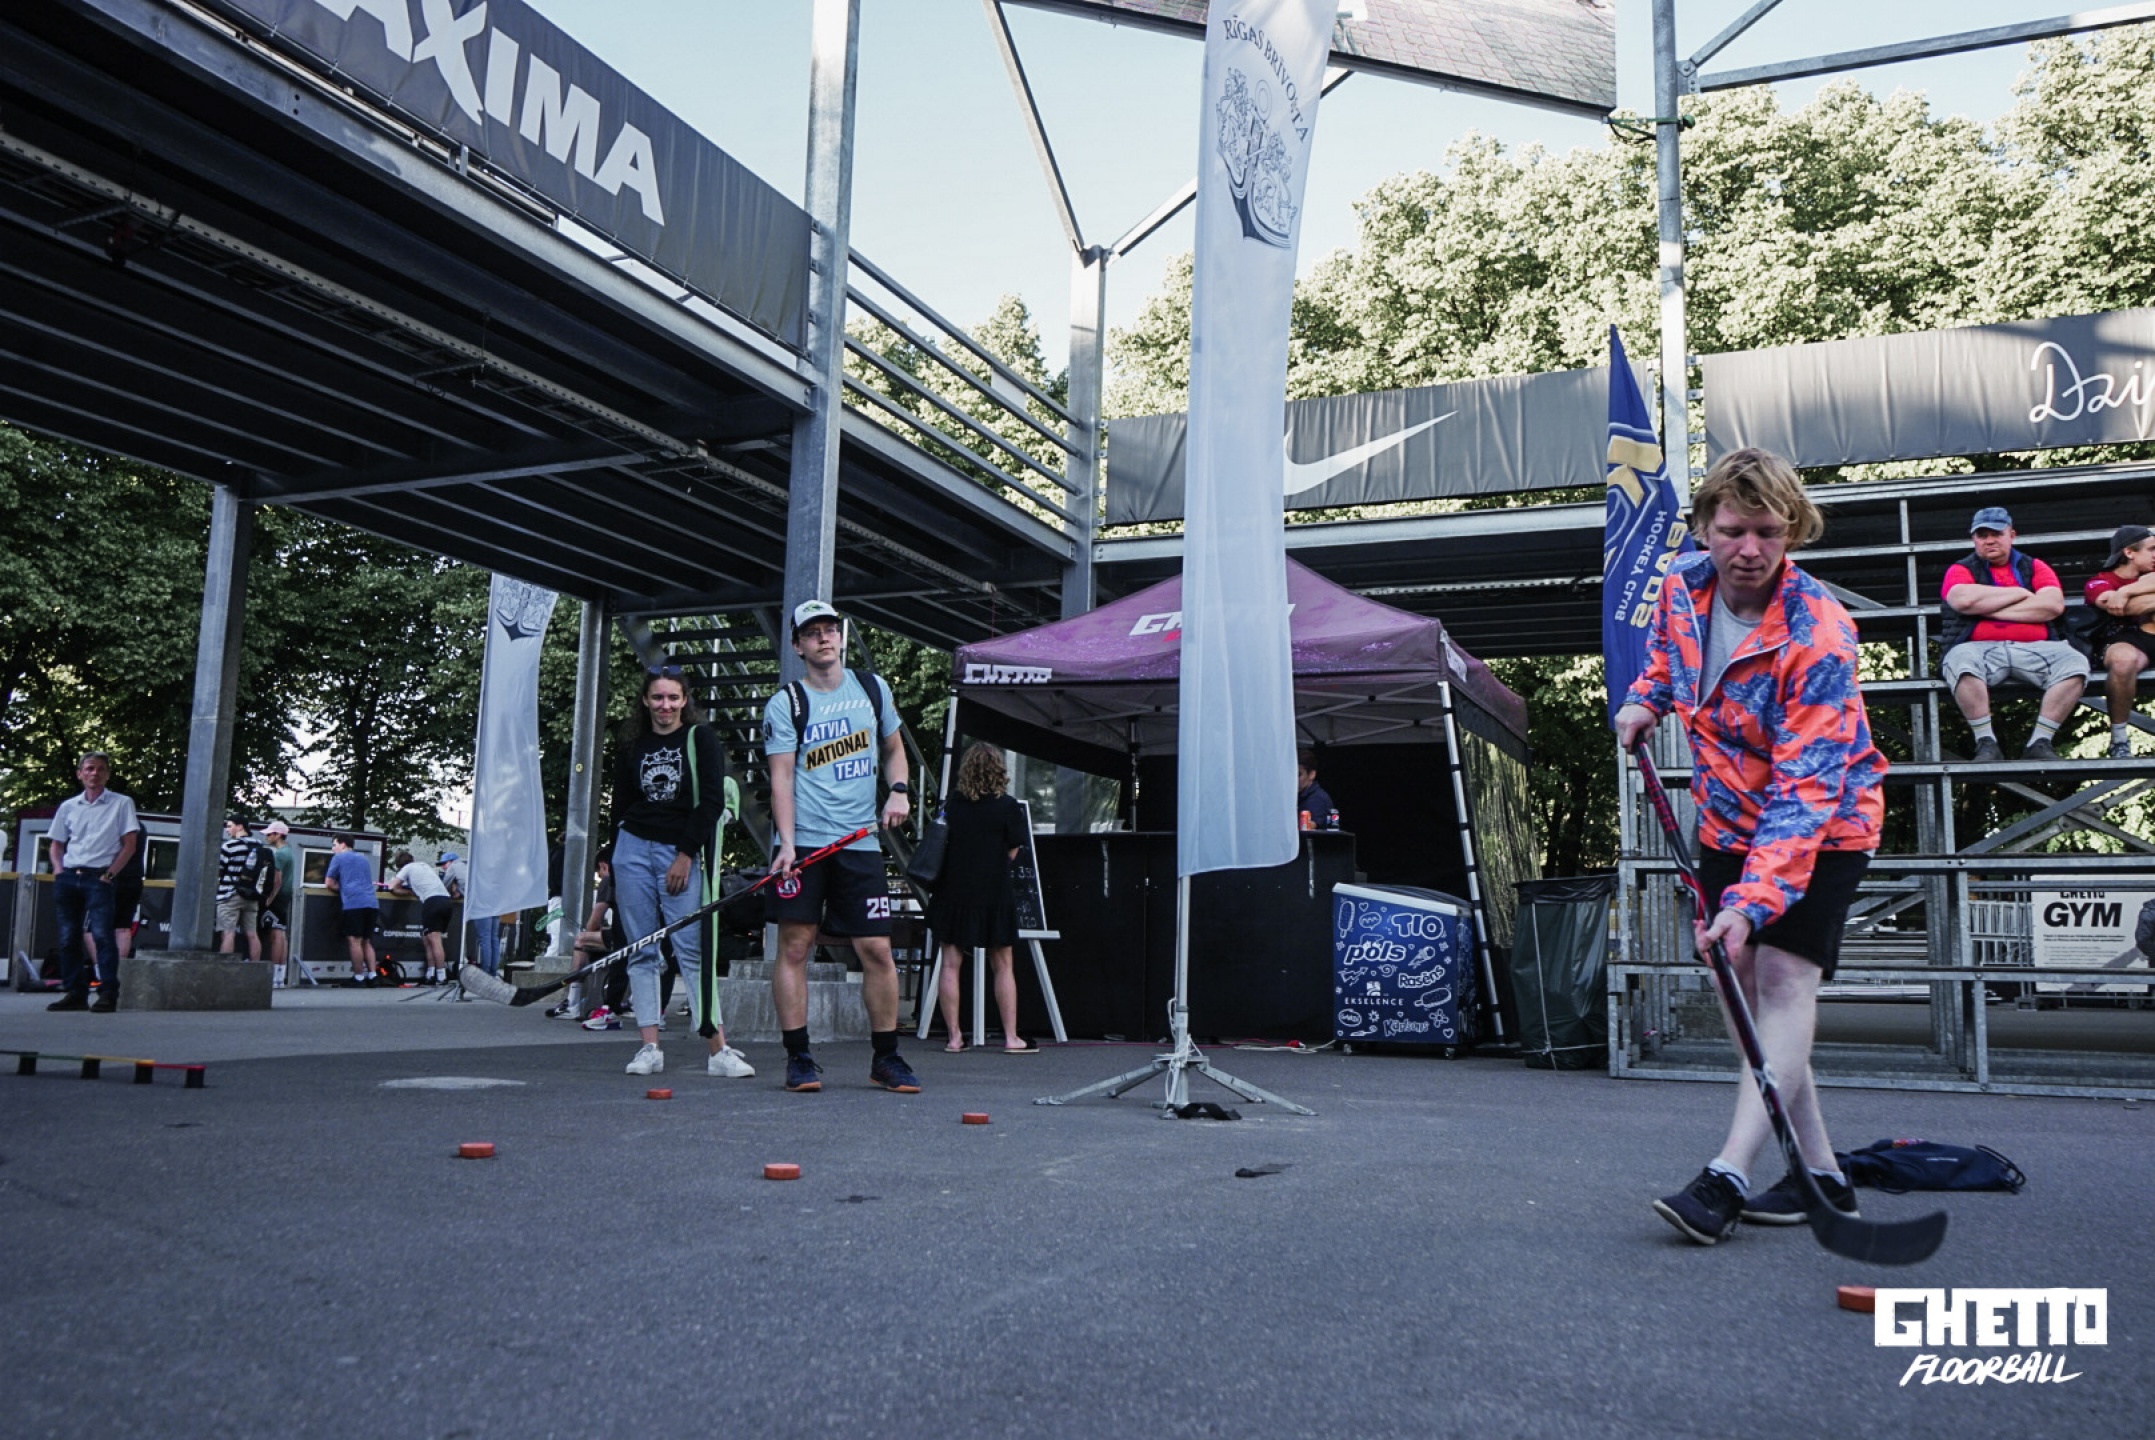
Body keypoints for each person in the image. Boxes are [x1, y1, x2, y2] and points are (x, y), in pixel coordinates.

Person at [1613, 448, 1886, 1245]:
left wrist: (1750, 903)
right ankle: (1821, 1174)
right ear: (1704, 527)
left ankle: (1726, 1175)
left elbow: (1805, 788)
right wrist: (1643, 700)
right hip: (1727, 818)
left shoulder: (1819, 633)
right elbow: (1666, 662)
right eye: (1732, 530)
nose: (1748, 549)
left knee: (1781, 978)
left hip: (1823, 825)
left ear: (1791, 531)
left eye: (1767, 532)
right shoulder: (1680, 587)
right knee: (1737, 981)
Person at [762, 599, 920, 1094]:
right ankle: (799, 1057)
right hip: (804, 845)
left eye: (830, 629)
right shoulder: (786, 703)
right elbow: (781, 778)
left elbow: (894, 750)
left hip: (859, 844)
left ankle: (887, 1058)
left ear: (840, 636)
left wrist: (899, 790)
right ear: (798, 645)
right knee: (795, 947)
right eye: (812, 633)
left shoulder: (872, 689)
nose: (823, 638)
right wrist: (786, 844)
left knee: (876, 948)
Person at [607, 665, 753, 1079]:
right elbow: (621, 803)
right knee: (641, 949)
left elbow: (710, 801)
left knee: (692, 949)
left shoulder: (699, 738)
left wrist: (686, 854)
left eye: (673, 697)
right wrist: (611, 852)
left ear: (684, 701)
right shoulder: (633, 743)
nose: (665, 705)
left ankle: (718, 1049)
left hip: (678, 849)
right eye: (657, 697)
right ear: (645, 701)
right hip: (633, 848)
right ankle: (649, 1047)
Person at [1939, 505, 2087, 762]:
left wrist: (1986, 608)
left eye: (1996, 533)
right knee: (1959, 660)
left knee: (2076, 662)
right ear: (1974, 539)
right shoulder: (1960, 569)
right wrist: (2020, 593)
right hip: (1979, 650)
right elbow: (1963, 600)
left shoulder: (2034, 566)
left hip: (2036, 648)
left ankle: (2040, 742)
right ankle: (1986, 743)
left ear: (2012, 535)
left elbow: (2052, 606)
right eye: (1982, 535)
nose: (1989, 540)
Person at [929, 743, 1036, 1054]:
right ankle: (1011, 1038)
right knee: (1003, 965)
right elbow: (1013, 852)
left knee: (950, 964)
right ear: (999, 771)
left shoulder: (952, 805)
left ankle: (954, 1037)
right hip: (994, 892)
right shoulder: (1008, 807)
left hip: (953, 891)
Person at [43, 751, 140, 1012]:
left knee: (102, 935)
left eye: (99, 769)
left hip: (98, 876)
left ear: (107, 774)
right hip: (70, 875)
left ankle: (108, 992)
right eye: (89, 769)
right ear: (80, 774)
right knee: (68, 937)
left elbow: (129, 844)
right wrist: (58, 870)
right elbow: (56, 843)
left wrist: (109, 875)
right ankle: (76, 992)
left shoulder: (121, 803)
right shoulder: (69, 806)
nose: (94, 774)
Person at [2084, 523, 2155, 759]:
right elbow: (2120, 608)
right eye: (2152, 549)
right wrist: (2128, 597)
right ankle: (2119, 738)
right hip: (2122, 640)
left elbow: (2126, 602)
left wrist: (2125, 592)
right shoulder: (2100, 581)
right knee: (2123, 661)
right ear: (2129, 552)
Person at [380, 850, 454, 985]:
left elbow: (392, 887)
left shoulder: (407, 868)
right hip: (446, 901)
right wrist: (413, 891)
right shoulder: (423, 865)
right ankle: (430, 974)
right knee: (427, 939)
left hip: (432, 902)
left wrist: (407, 891)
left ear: (400, 865)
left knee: (434, 940)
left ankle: (441, 976)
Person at [323, 835, 379, 986]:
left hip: (354, 903)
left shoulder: (338, 858)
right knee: (366, 941)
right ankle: (373, 976)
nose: (333, 849)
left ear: (343, 844)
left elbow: (329, 883)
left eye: (334, 845)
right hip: (371, 902)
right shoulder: (363, 858)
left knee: (354, 940)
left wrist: (343, 889)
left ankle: (358, 977)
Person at [215, 816, 270, 961]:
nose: (227, 829)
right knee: (252, 934)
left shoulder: (229, 846)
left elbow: (218, 870)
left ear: (240, 827)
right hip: (252, 895)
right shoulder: (259, 845)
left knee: (228, 933)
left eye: (229, 826)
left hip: (229, 895)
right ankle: (255, 967)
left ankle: (226, 967)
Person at [258, 820, 299, 985]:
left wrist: (269, 898)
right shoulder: (289, 852)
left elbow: (277, 880)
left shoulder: (279, 854)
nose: (267, 837)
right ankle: (280, 975)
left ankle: (274, 975)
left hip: (277, 896)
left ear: (278, 835)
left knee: (275, 934)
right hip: (286, 895)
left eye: (269, 834)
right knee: (281, 933)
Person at [111, 818, 147, 965]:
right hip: (134, 879)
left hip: (112, 877)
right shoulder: (139, 827)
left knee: (92, 927)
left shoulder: (113, 823)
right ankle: (119, 968)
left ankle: (101, 970)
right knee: (123, 928)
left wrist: (107, 875)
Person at [1295, 748, 1336, 830]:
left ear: (1312, 774)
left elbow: (1311, 826)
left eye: (1299, 774)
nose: (1294, 779)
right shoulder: (1298, 796)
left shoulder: (1319, 799)